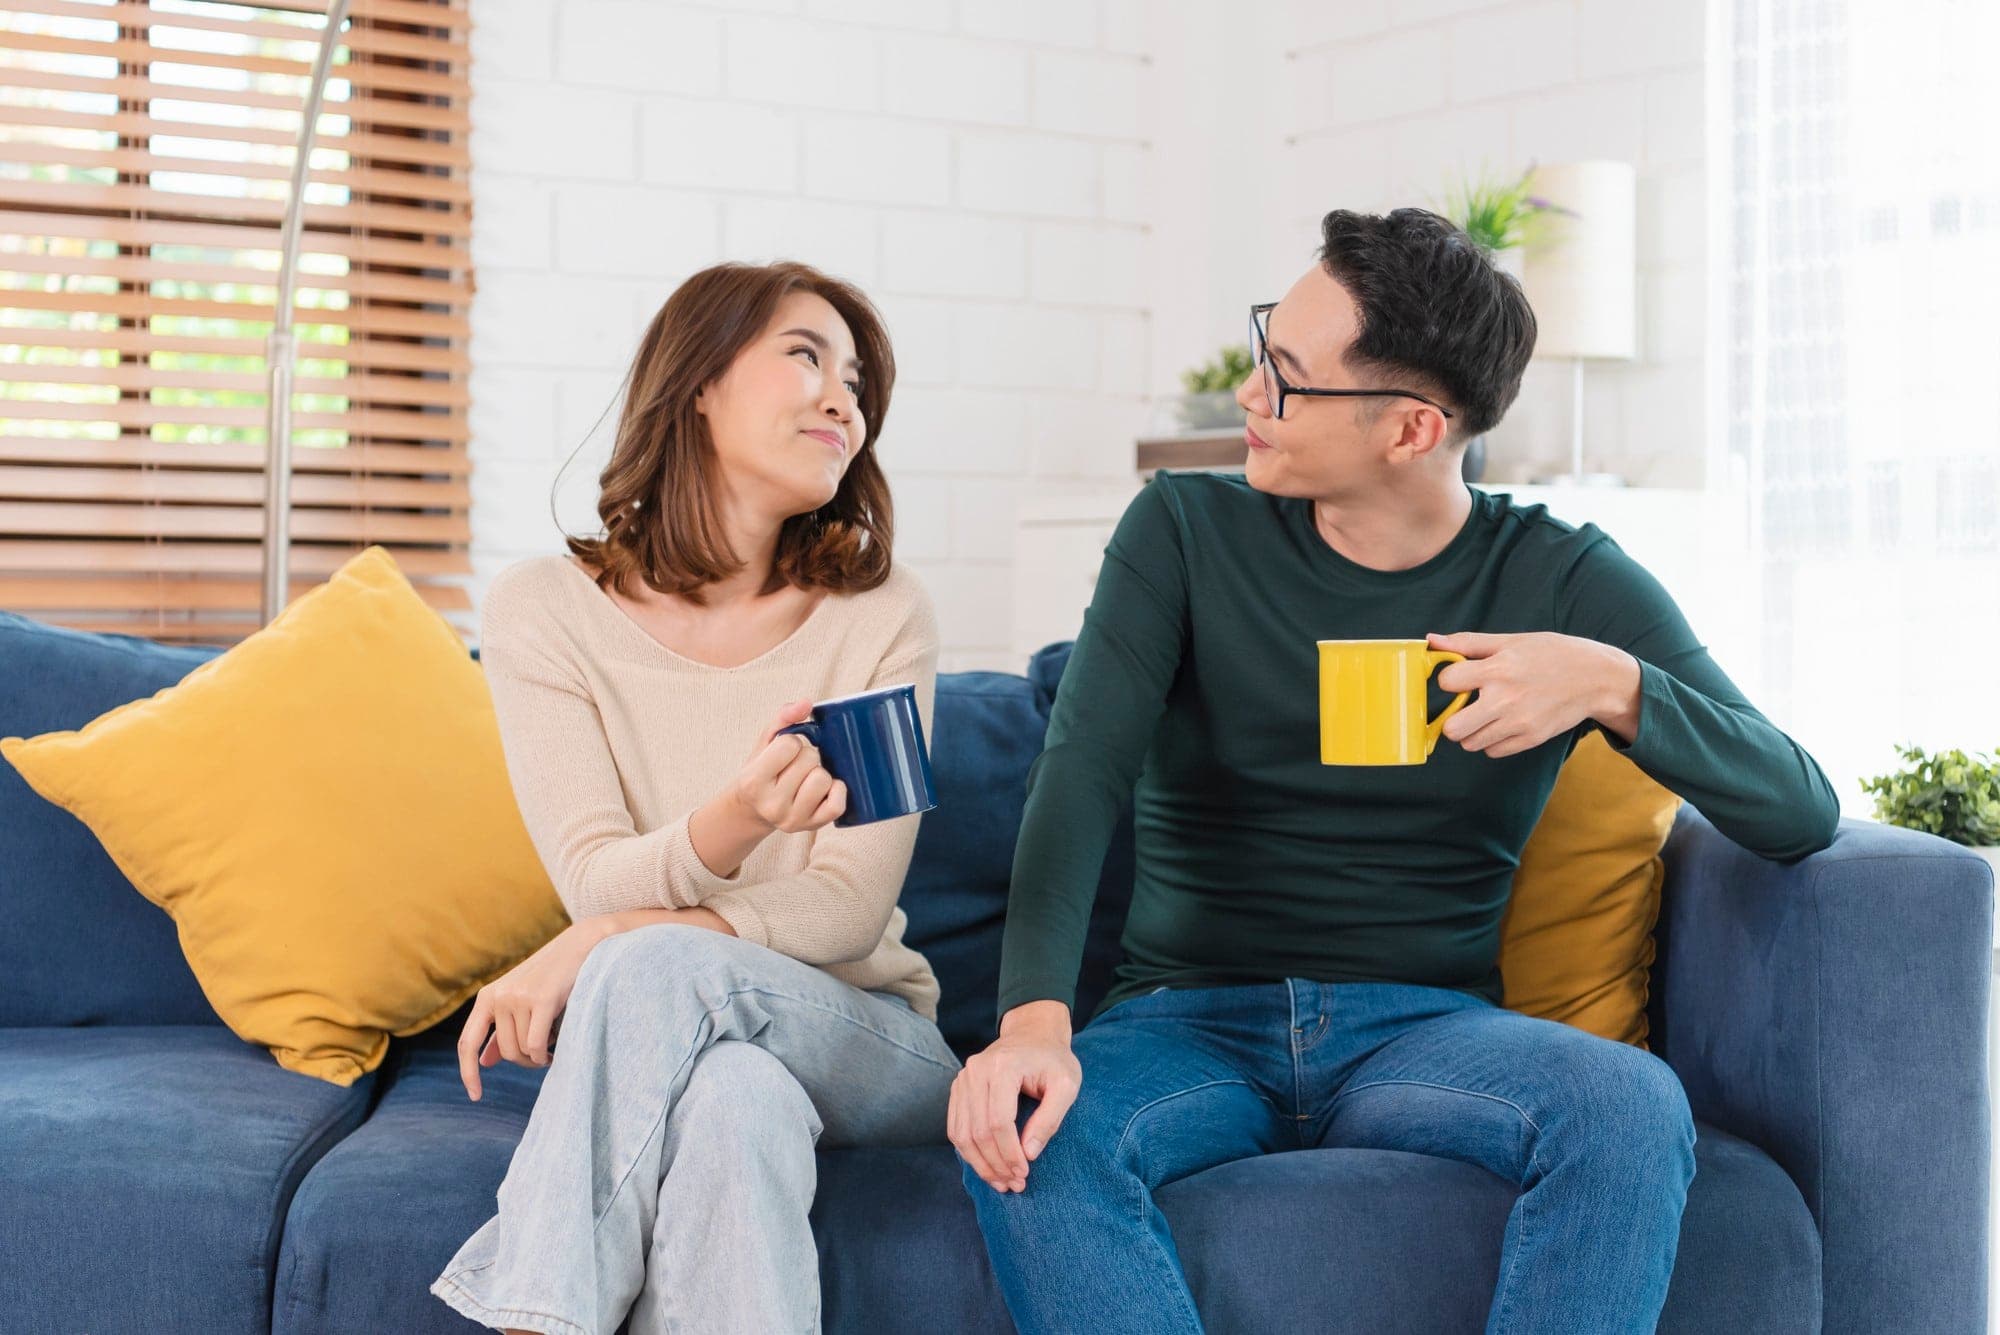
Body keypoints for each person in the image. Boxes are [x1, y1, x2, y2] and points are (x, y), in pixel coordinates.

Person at [947, 208, 1840, 1335]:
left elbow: (1799, 806)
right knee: (1028, 1133)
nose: (1249, 393)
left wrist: (1611, 683)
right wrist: (1031, 1024)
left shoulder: (1560, 578)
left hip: (1425, 1030)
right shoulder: (1182, 529)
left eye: (1287, 376)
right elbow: (1078, 775)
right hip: (1184, 1017)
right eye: (1265, 347)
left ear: (1411, 429)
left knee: (1626, 1105)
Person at [430, 261, 959, 1335]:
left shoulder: (879, 615)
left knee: (647, 964)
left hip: (865, 1036)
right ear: (701, 383)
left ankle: (531, 1318)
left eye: (856, 383)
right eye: (806, 357)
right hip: (693, 1039)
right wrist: (738, 819)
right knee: (732, 1103)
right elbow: (592, 879)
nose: (842, 400)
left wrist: (613, 937)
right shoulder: (544, 612)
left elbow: (847, 909)